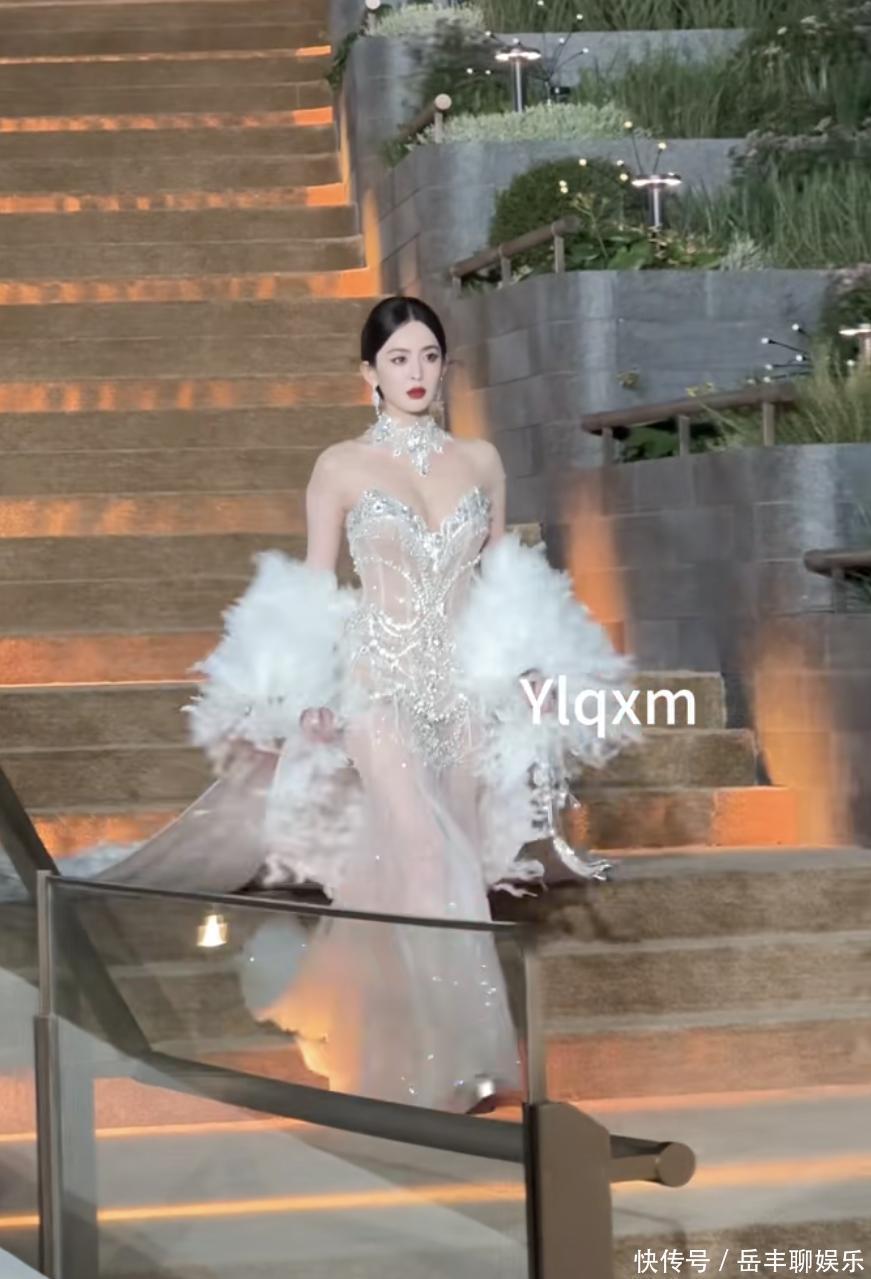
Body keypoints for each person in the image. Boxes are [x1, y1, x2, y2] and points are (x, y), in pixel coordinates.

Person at [8, 296, 640, 1112]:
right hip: (374, 688)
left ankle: (387, 1031)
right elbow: (313, 585)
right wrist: (307, 692)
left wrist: (526, 666)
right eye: (398, 359)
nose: (416, 373)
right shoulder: (341, 465)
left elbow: (501, 582)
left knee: (443, 867)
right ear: (368, 374)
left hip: (460, 695)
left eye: (428, 356)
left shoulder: (480, 461)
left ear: (445, 366)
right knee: (426, 857)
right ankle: (457, 1066)